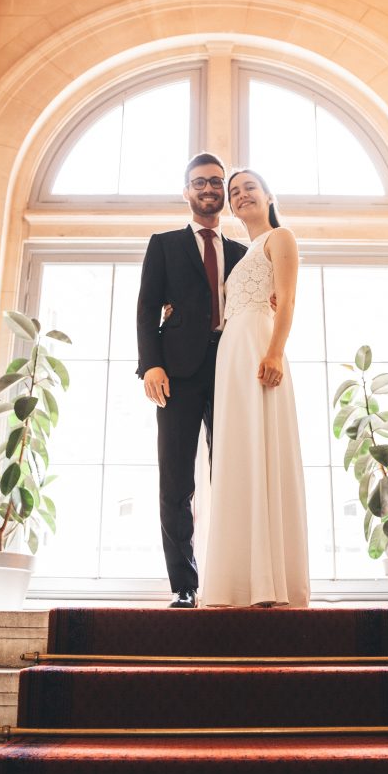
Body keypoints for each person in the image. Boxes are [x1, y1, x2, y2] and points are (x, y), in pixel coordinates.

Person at [136, 152, 247, 607]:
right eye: (199, 182)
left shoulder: (242, 253)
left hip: (231, 368)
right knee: (176, 481)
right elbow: (146, 308)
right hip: (176, 374)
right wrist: (151, 364)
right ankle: (185, 584)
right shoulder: (163, 245)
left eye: (216, 182)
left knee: (234, 474)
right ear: (186, 192)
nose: (209, 189)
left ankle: (236, 577)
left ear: (224, 192)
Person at [201, 169, 310, 608]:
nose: (241, 194)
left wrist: (275, 352)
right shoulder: (242, 252)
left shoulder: (280, 238)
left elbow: (286, 299)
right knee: (239, 454)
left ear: (268, 195)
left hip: (259, 347)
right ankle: (240, 580)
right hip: (231, 352)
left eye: (249, 187)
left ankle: (272, 580)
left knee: (262, 449)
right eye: (234, 191)